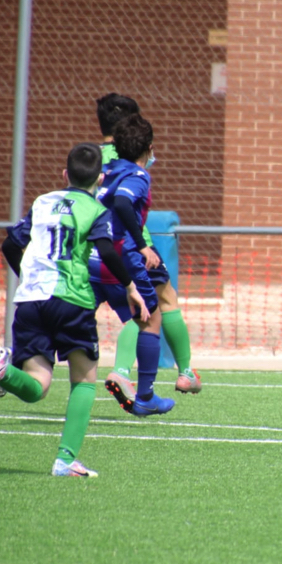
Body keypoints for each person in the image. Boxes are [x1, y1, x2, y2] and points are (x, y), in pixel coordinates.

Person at [0, 142, 150, 477]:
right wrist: (129, 286)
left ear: (64, 174)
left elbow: (10, 244)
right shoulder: (96, 209)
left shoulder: (42, 202)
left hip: (30, 300)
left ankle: (3, 372)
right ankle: (65, 460)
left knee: (38, 385)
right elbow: (108, 253)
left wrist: (29, 276)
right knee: (83, 380)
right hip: (71, 299)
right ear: (100, 178)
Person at [94, 93, 202, 394]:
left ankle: (28, 364)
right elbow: (125, 202)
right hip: (131, 244)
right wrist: (141, 245)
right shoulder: (130, 158)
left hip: (92, 247)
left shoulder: (88, 156)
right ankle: (175, 373)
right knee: (155, 304)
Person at [91, 112, 178, 416]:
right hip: (120, 257)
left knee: (75, 319)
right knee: (151, 319)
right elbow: (124, 203)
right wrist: (142, 246)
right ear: (149, 148)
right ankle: (145, 396)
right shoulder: (137, 176)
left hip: (89, 255)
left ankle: (17, 367)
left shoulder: (108, 169)